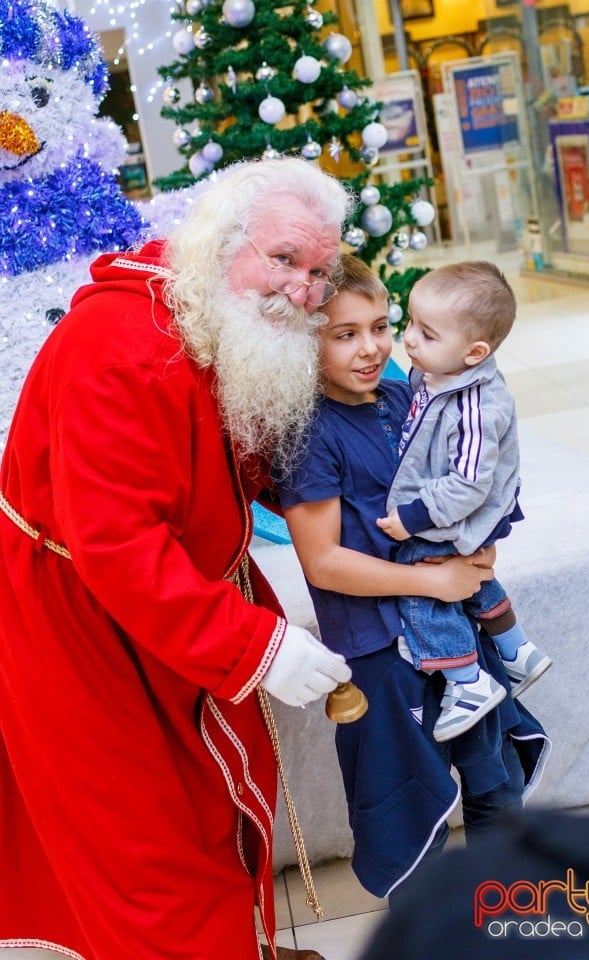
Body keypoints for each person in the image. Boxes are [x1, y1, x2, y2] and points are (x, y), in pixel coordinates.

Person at [0, 157, 355, 960]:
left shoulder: (205, 311)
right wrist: (254, 645)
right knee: (152, 856)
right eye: (284, 259)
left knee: (212, 812)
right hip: (81, 626)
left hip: (165, 602)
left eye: (318, 272)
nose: (300, 290)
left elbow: (227, 451)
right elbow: (117, 542)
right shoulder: (119, 348)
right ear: (222, 241)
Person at [277, 255, 549, 902]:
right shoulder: (305, 433)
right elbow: (324, 562)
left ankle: (498, 926)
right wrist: (437, 583)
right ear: (301, 339)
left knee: (497, 782)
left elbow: (470, 484)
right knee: (410, 817)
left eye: (379, 326)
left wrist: (475, 560)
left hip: (455, 625)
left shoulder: (411, 395)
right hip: (378, 647)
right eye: (345, 334)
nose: (372, 348)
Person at [377, 262, 552, 743]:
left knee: (423, 586)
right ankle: (517, 651)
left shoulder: (476, 404)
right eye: (409, 322)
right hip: (459, 506)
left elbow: (470, 484)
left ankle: (466, 681)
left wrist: (413, 518)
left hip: (464, 510)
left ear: (475, 352)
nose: (409, 339)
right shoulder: (441, 374)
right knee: (473, 577)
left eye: (427, 334)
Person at [360, 667, 589, 959]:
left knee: (498, 788)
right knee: (419, 821)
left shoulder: (440, 903)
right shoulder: (442, 903)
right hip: (396, 669)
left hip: (473, 669)